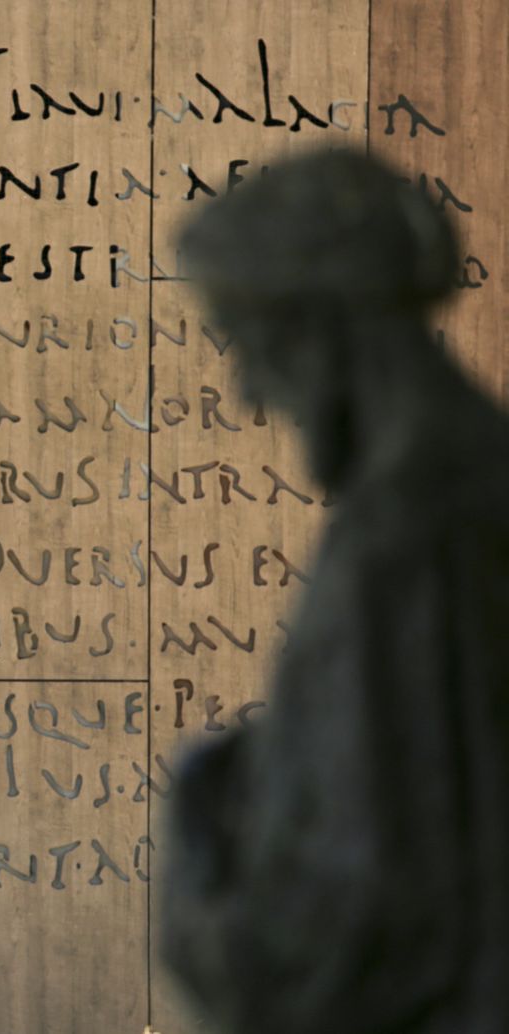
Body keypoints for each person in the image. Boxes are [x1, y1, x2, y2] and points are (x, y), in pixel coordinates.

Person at [159, 148, 509, 1034]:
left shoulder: (412, 535)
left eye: (246, 340)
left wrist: (202, 866)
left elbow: (363, 919)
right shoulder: (470, 489)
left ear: (318, 326)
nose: (246, 392)